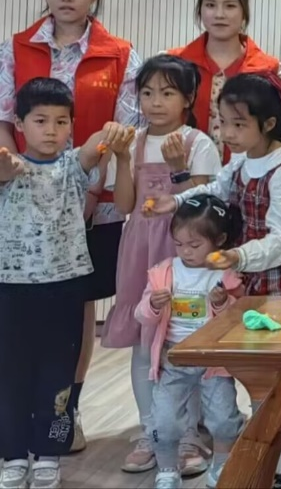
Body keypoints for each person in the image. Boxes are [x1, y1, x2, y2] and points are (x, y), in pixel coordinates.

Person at [0, 0, 143, 453]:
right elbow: (4, 120)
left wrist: (86, 192)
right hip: (20, 203)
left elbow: (122, 128)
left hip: (94, 204)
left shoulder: (120, 54)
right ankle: (19, 419)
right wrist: (18, 177)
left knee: (77, 310)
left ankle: (67, 412)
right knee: (18, 315)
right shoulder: (15, 48)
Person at [152, 72, 281, 489]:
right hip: (252, 277)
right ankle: (265, 461)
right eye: (223, 122)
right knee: (259, 377)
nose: (227, 133)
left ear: (269, 123)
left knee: (277, 379)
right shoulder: (243, 160)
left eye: (238, 124)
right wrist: (176, 201)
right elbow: (217, 188)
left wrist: (238, 255)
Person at [0, 78, 134, 489]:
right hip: (12, 289)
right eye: (40, 121)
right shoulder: (9, 169)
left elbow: (97, 145)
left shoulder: (74, 166)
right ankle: (12, 453)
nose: (51, 130)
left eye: (61, 122)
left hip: (66, 288)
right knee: (11, 375)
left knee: (60, 378)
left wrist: (115, 137)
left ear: (71, 127)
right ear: (19, 124)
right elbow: (3, 167)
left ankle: (50, 453)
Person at [100, 56, 221, 477]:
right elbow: (124, 205)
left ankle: (187, 434)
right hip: (139, 248)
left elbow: (206, 208)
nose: (155, 102)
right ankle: (150, 432)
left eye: (167, 93)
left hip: (182, 251)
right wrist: (121, 158)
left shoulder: (198, 142)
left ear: (188, 98)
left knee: (184, 338)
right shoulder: (133, 141)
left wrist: (178, 170)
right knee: (143, 339)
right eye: (148, 93)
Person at [136, 195, 247, 489]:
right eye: (179, 244)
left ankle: (222, 466)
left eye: (194, 245)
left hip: (214, 359)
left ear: (219, 240)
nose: (185, 251)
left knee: (223, 418)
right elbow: (141, 315)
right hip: (173, 358)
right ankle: (167, 470)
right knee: (163, 420)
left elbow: (239, 319)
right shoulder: (164, 272)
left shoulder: (226, 275)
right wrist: (154, 305)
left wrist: (223, 303)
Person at [168, 0, 281, 162]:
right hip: (182, 172)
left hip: (248, 175)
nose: (219, 14)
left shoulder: (271, 72)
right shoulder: (172, 65)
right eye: (210, 5)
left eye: (230, 6)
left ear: (244, 13)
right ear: (200, 10)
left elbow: (273, 137)